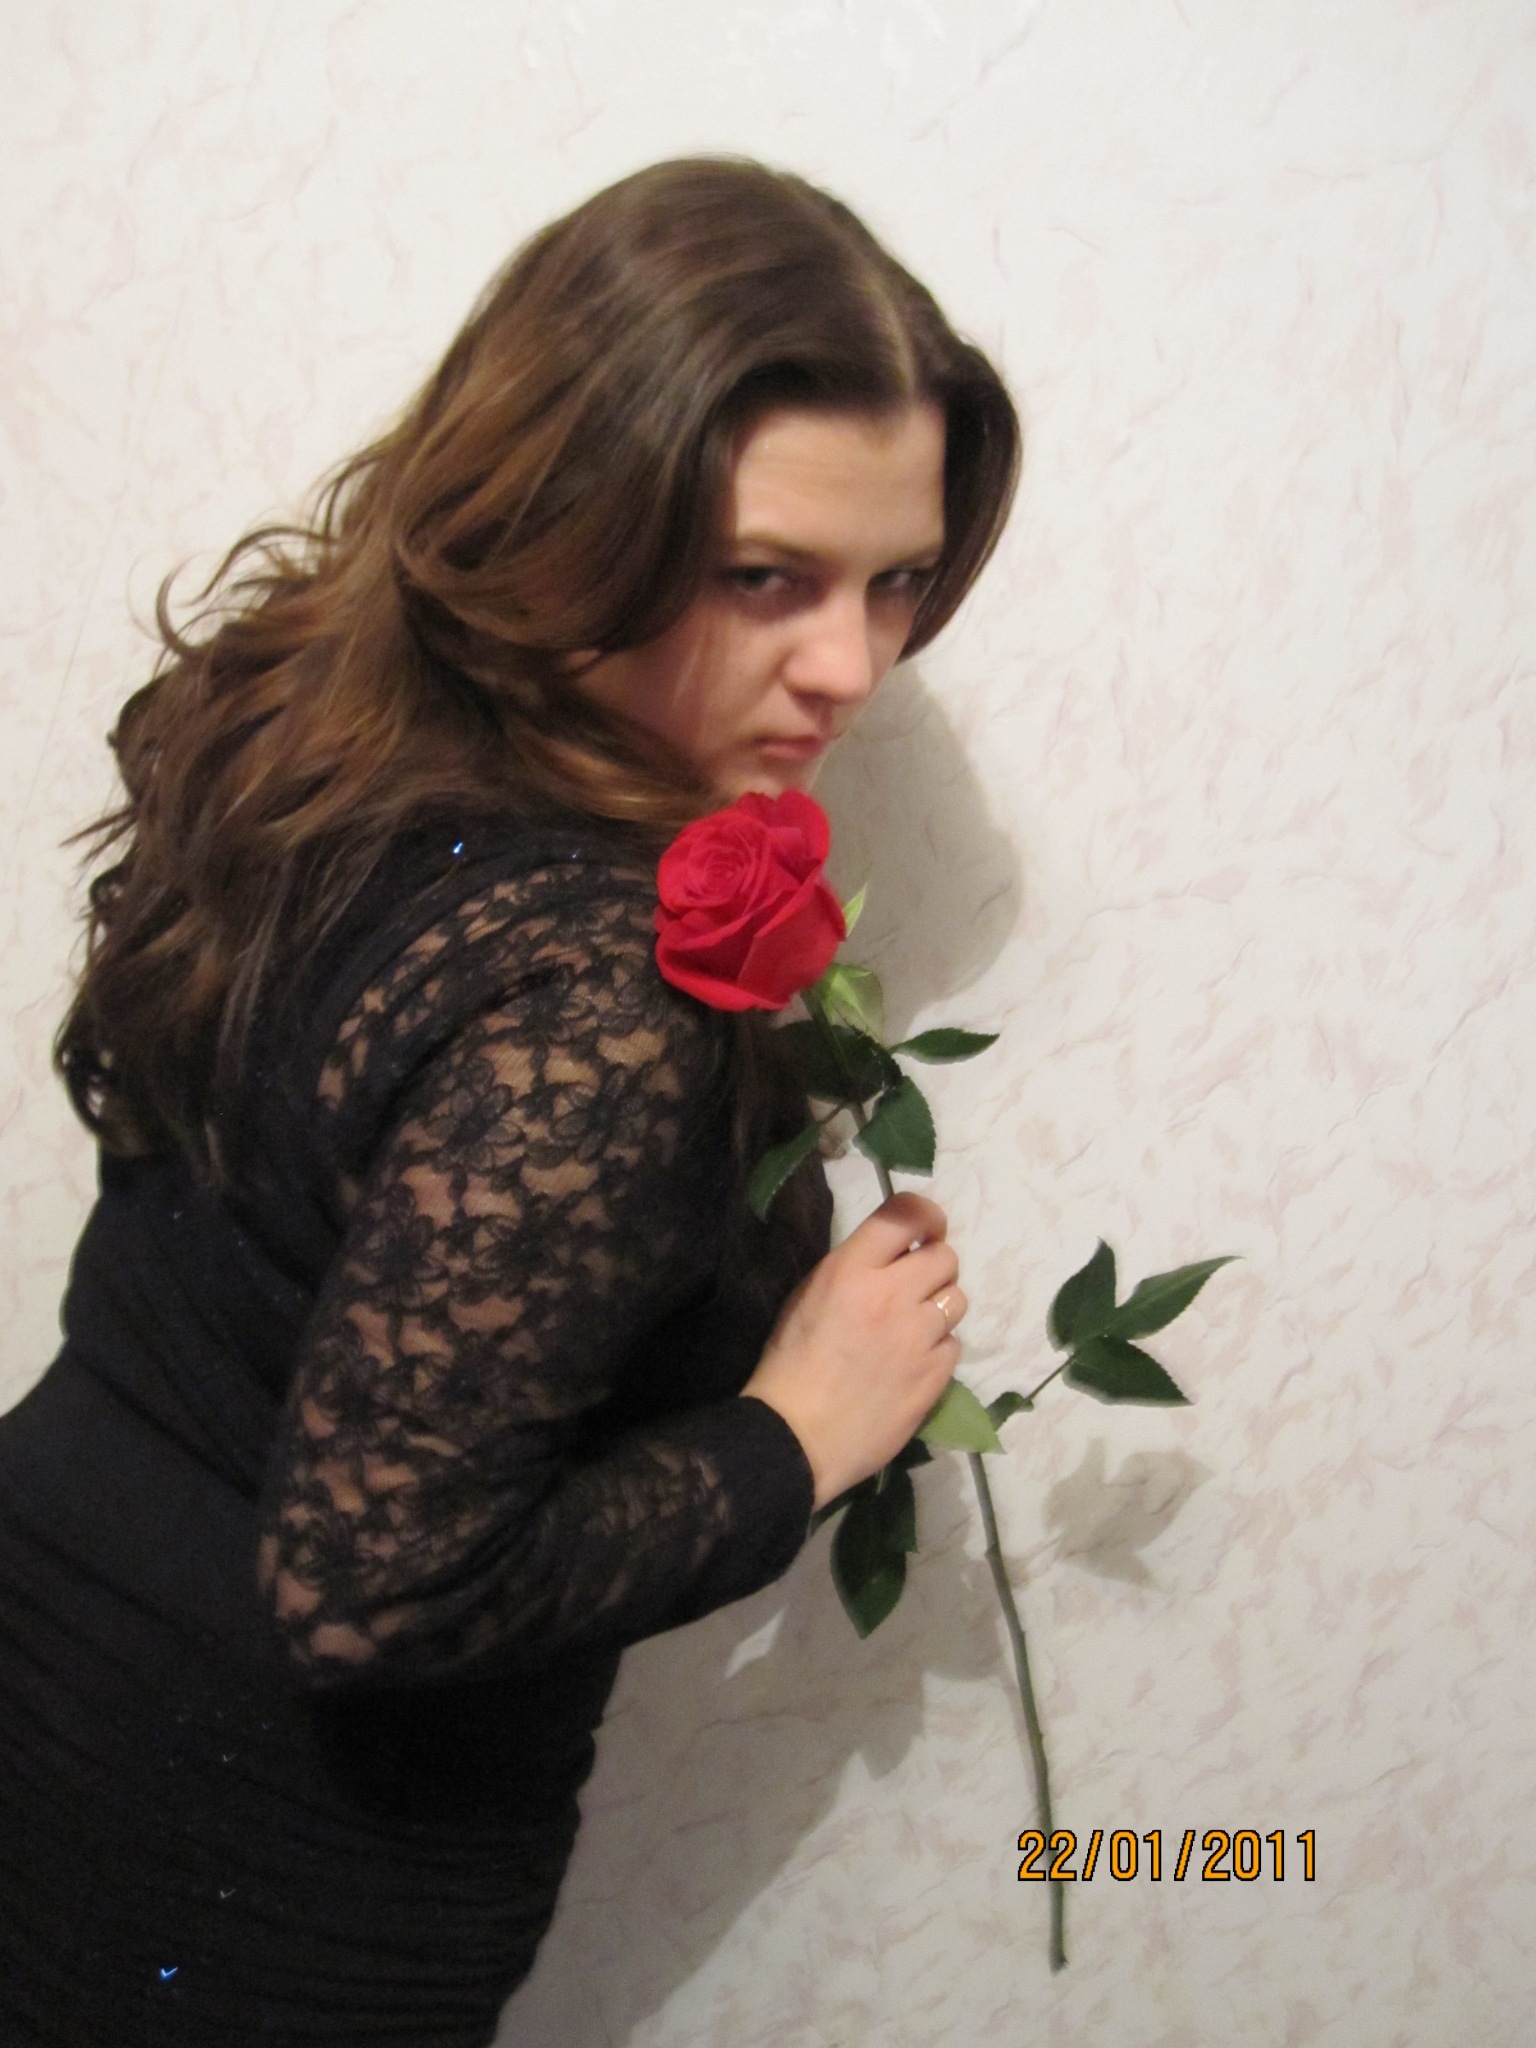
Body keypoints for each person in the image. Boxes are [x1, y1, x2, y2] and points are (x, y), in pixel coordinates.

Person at [0, 157, 1020, 2045]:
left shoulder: (318, 727)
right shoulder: (598, 996)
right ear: (573, 512)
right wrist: (796, 1435)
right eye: (767, 578)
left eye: (896, 582)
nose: (852, 666)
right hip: (257, 1867)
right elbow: (373, 1594)